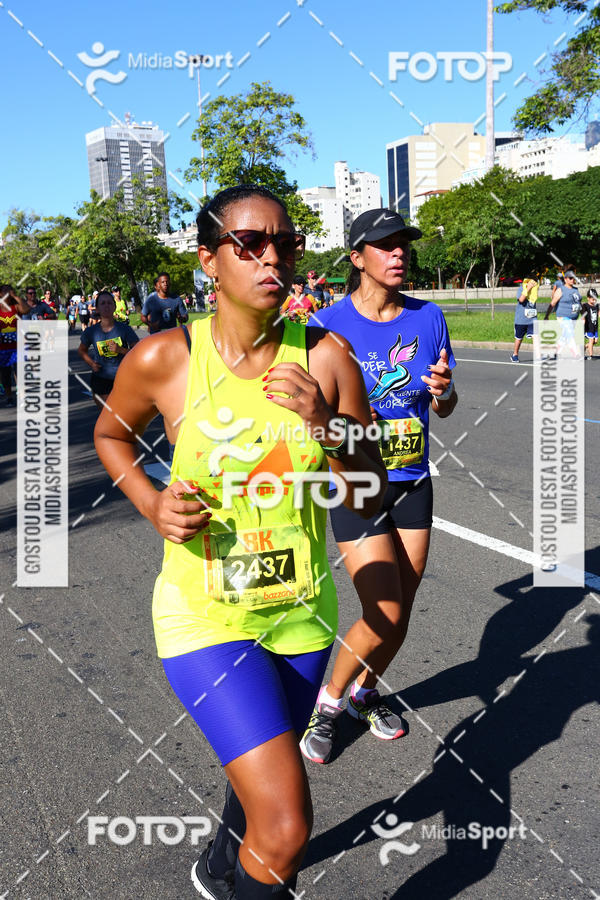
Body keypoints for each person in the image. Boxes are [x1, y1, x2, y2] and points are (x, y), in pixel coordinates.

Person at [94, 184, 386, 899]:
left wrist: (327, 425)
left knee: (266, 773)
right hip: (205, 620)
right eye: (248, 243)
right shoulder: (164, 359)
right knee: (286, 825)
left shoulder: (327, 360)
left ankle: (219, 866)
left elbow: (370, 482)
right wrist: (150, 499)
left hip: (301, 615)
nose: (271, 258)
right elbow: (111, 433)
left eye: (285, 244)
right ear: (208, 260)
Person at [301, 207, 458, 764]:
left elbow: (446, 400)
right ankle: (327, 704)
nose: (399, 254)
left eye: (404, 245)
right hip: (356, 481)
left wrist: (440, 394)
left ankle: (365, 692)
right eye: (385, 245)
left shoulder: (428, 316)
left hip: (413, 479)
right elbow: (310, 416)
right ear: (357, 257)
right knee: (381, 610)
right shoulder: (325, 323)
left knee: (403, 607)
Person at [78, 290, 139, 410]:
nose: (106, 306)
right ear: (97, 309)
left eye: (109, 303)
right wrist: (92, 364)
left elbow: (138, 351)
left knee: (123, 415)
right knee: (109, 414)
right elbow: (81, 350)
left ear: (114, 306)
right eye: (103, 303)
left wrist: (121, 350)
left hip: (123, 377)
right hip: (101, 378)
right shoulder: (91, 331)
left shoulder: (124, 329)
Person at [0, 285, 27, 406]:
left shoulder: (15, 306)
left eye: (10, 291)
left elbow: (26, 310)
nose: (8, 293)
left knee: (19, 372)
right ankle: (9, 397)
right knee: (5, 374)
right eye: (5, 291)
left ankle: (22, 397)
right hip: (2, 348)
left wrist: (15, 296)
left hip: (17, 346)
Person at [545, 269, 582, 356]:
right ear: (565, 279)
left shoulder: (576, 290)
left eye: (573, 278)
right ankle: (576, 354)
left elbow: (579, 303)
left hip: (573, 317)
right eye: (570, 278)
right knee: (570, 333)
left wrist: (583, 315)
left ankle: (556, 352)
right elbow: (553, 303)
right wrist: (547, 316)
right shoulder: (561, 290)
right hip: (563, 316)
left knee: (565, 335)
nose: (572, 280)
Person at [510, 274, 539, 362]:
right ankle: (515, 354)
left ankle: (538, 356)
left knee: (536, 336)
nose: (534, 285)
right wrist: (528, 288)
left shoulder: (535, 291)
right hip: (521, 319)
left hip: (532, 318)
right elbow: (521, 299)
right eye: (532, 282)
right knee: (519, 338)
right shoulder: (522, 288)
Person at [581, 288, 599, 359]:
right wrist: (583, 320)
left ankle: (585, 347)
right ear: (588, 298)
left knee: (595, 341)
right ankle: (591, 356)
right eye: (592, 299)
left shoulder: (596, 306)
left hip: (595, 327)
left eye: (595, 299)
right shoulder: (585, 306)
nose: (594, 301)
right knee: (591, 340)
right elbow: (583, 314)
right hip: (589, 327)